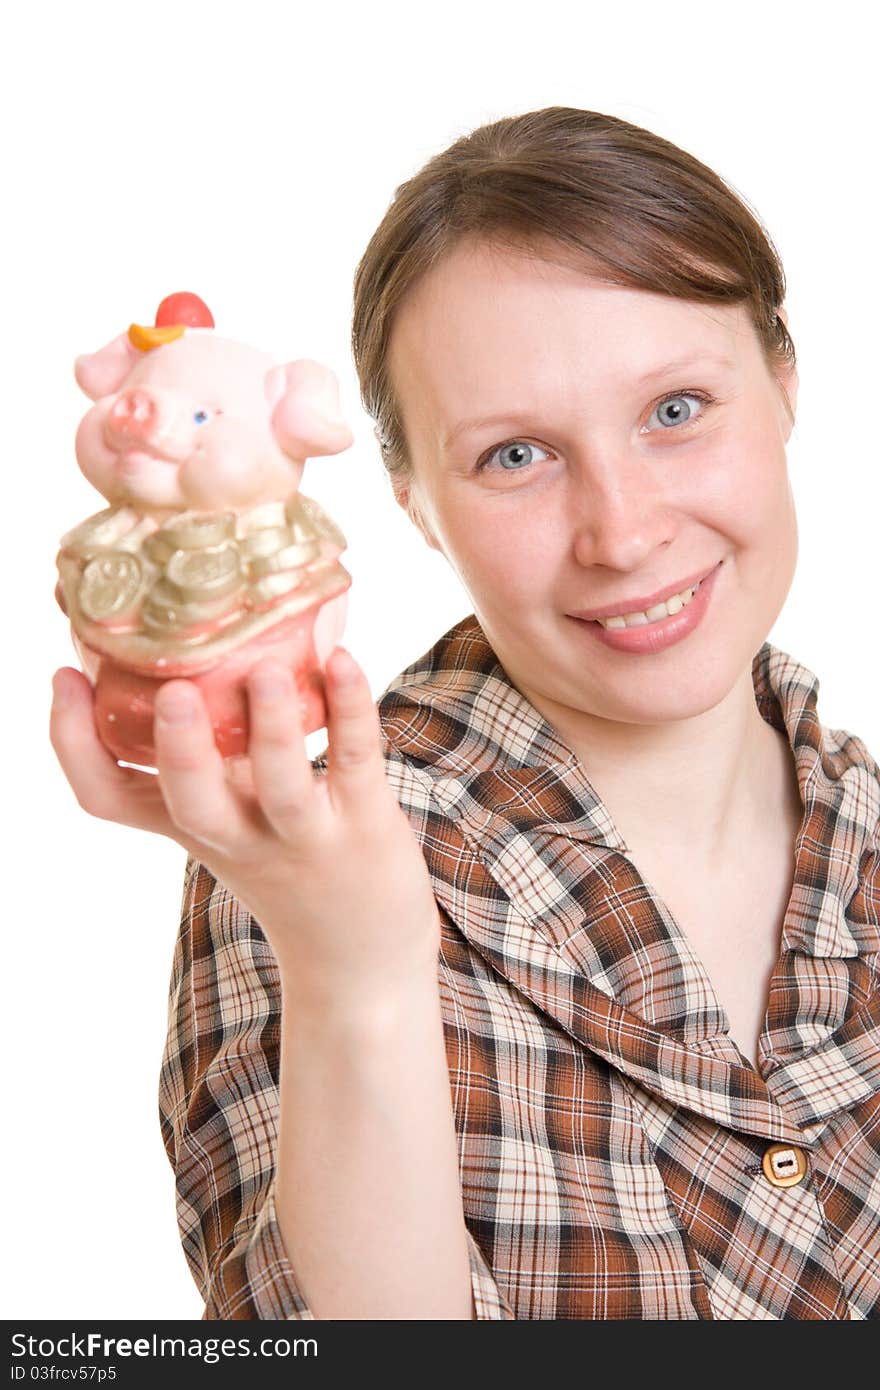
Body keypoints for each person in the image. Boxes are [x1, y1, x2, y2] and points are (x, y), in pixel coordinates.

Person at [49, 107, 880, 1320]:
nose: (624, 530)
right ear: (413, 504)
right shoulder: (311, 857)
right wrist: (358, 976)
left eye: (676, 409)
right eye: (514, 457)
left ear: (784, 382)